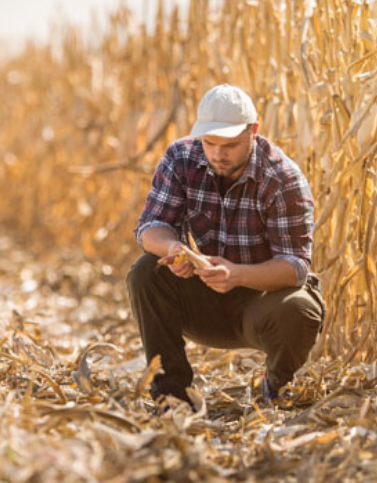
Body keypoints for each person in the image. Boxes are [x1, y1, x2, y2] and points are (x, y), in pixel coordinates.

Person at [127, 83, 325, 407]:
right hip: (203, 297)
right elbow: (150, 227)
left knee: (301, 309)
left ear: (254, 132)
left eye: (230, 145)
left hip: (262, 304)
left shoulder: (283, 178)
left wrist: (237, 274)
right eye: (210, 143)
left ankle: (276, 385)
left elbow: (295, 267)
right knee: (145, 272)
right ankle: (172, 395)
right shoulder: (181, 157)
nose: (218, 154)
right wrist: (175, 249)